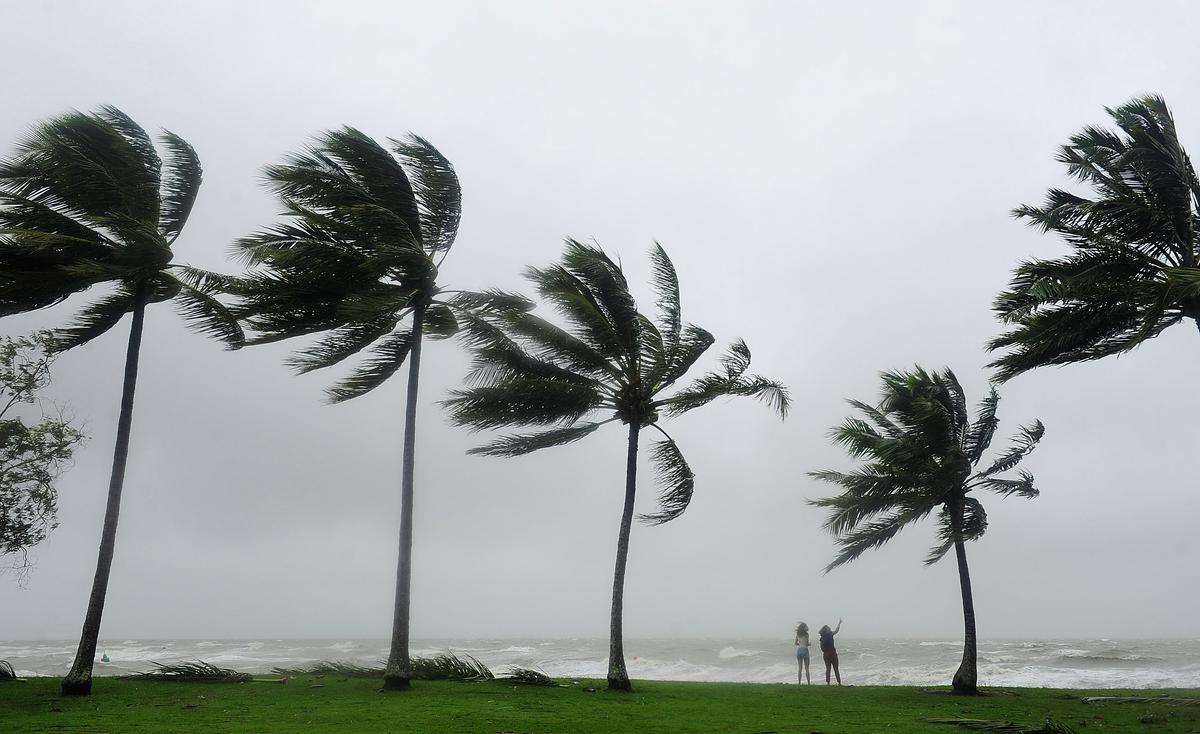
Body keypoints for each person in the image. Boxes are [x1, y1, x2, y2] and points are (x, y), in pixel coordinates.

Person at [818, 619, 842, 685]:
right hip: (832, 653)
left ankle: (828, 683)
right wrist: (839, 623)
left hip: (826, 654)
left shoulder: (822, 637)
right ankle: (839, 682)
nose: (830, 628)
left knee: (828, 669)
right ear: (826, 629)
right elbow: (836, 631)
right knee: (836, 668)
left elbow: (821, 647)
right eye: (828, 628)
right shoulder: (830, 634)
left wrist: (824, 651)